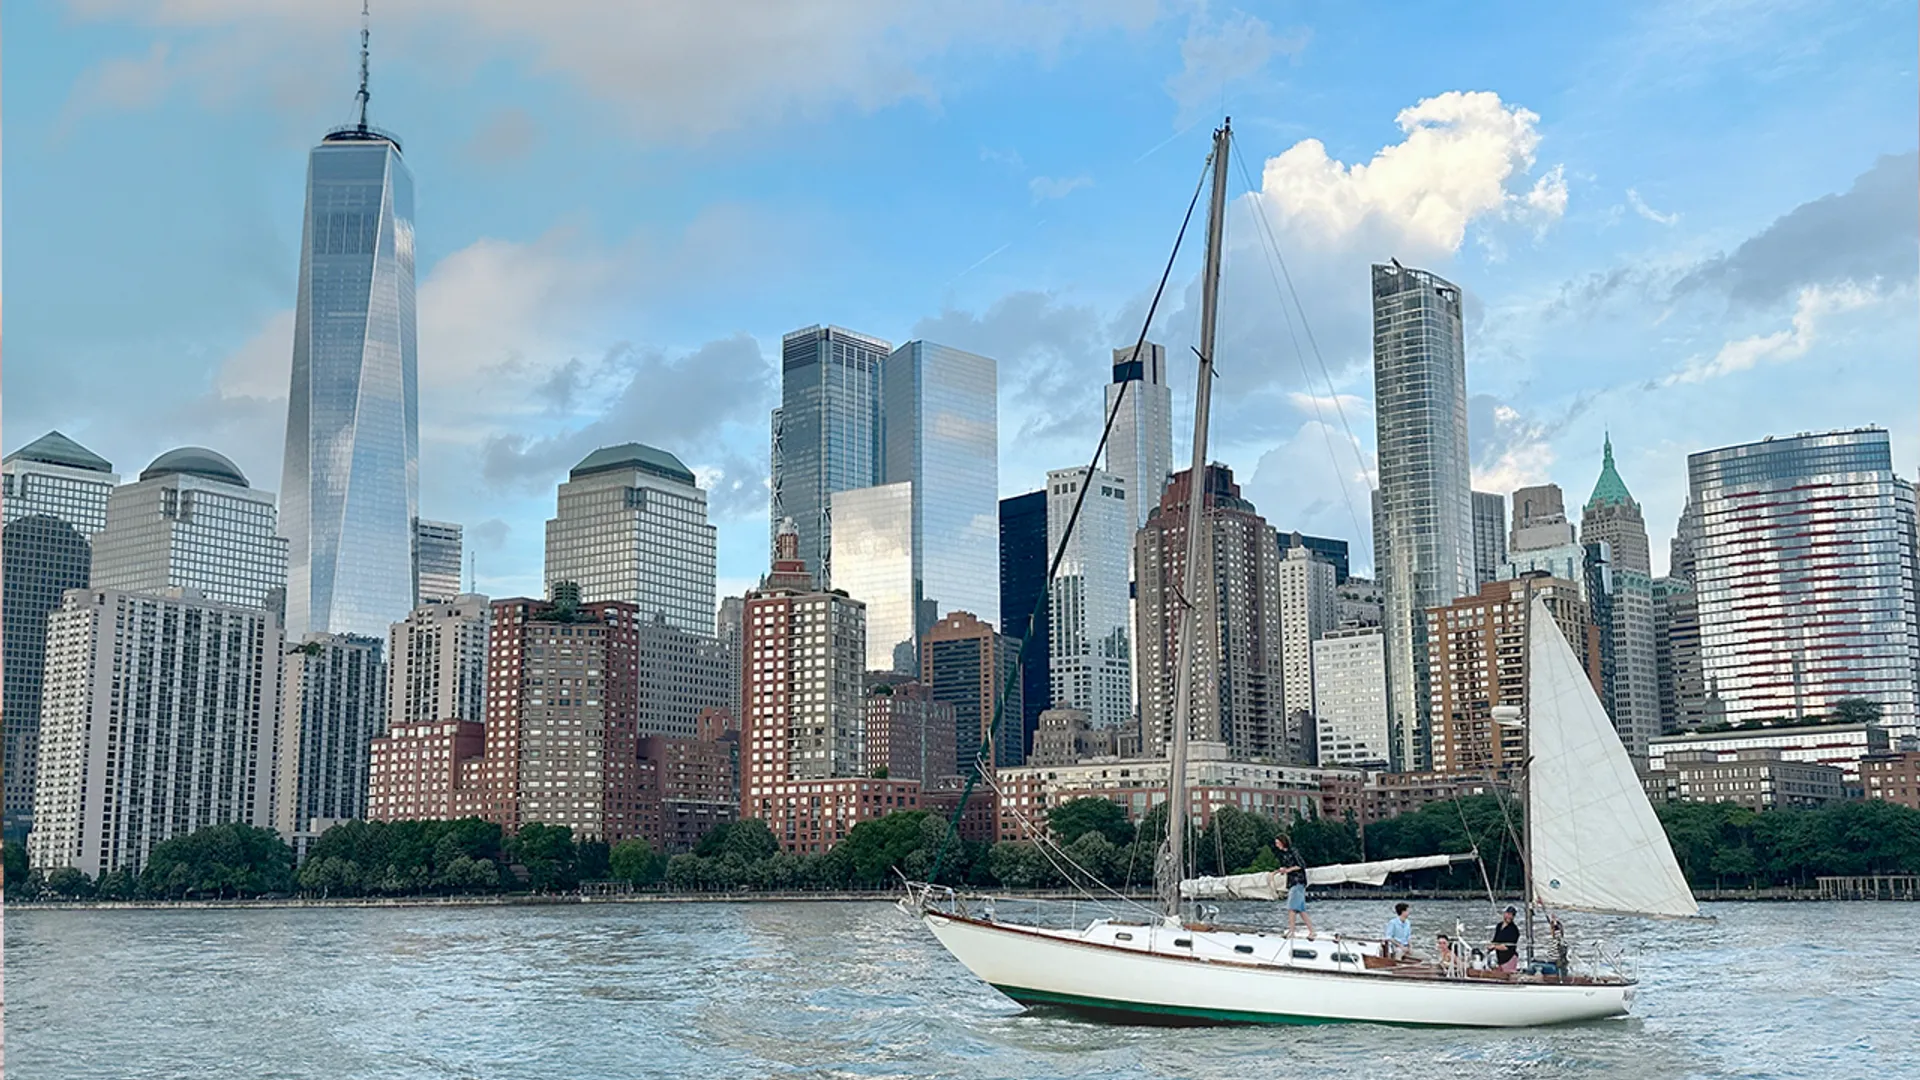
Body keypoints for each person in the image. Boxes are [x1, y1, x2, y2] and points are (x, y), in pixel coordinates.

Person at [1271, 836, 1315, 939]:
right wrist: (1282, 870)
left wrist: (1288, 870)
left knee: (1291, 908)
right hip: (1292, 882)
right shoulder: (1284, 854)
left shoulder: (1293, 851)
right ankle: (1311, 931)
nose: (1276, 845)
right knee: (1300, 909)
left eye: (1278, 843)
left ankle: (1292, 931)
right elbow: (1288, 867)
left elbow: (1301, 865)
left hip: (1298, 881)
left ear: (1283, 842)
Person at [1490, 906, 1522, 973]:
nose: (1510, 916)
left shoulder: (1514, 930)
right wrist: (1491, 946)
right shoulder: (1499, 926)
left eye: (1512, 915)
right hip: (1500, 959)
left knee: (1507, 975)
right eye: (1508, 914)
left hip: (1509, 958)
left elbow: (1507, 947)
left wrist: (1495, 947)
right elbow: (1495, 940)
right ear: (1504, 914)